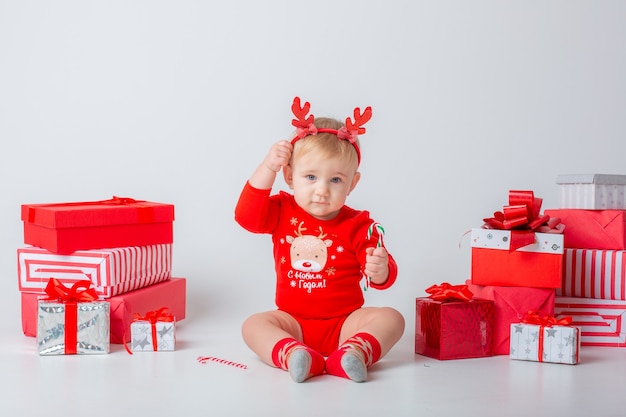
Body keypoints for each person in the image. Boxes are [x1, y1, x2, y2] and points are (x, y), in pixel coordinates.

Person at [234, 96, 405, 383]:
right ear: (289, 176)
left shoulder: (358, 223)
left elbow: (380, 278)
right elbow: (246, 216)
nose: (322, 190)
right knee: (253, 325)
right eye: (311, 177)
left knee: (393, 319)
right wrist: (268, 167)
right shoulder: (281, 211)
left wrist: (381, 269)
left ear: (352, 183)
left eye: (336, 180)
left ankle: (354, 352)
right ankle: (293, 354)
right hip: (293, 321)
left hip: (346, 323)